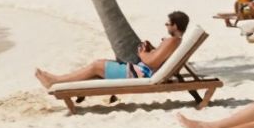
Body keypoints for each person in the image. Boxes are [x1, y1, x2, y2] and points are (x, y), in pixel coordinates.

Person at [34, 12, 189, 88]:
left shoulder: (172, 41)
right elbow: (158, 59)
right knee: (98, 66)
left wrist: (142, 53)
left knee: (96, 66)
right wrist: (152, 49)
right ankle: (58, 79)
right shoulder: (175, 41)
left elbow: (152, 62)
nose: (166, 25)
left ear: (175, 25)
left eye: (167, 23)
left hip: (139, 73)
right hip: (140, 71)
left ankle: (56, 81)